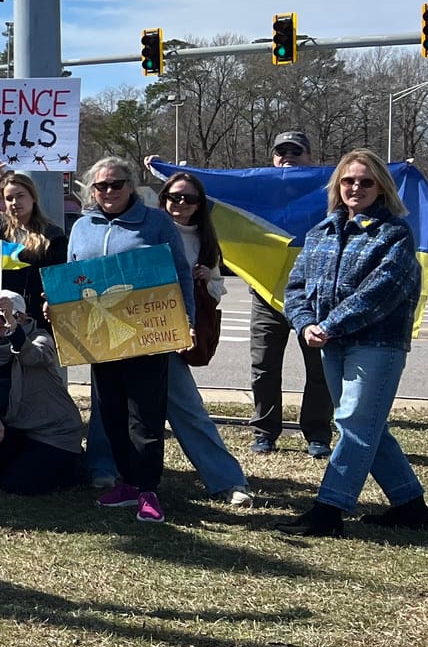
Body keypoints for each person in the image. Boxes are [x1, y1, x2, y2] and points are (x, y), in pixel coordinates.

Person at [279, 150, 428, 537]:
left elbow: (382, 291)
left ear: (381, 187)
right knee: (367, 426)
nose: (356, 188)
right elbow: (295, 287)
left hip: (377, 345)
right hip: (331, 344)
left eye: (366, 181)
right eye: (348, 180)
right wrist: (305, 323)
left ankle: (328, 510)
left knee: (354, 424)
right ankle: (410, 506)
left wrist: (329, 325)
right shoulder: (321, 232)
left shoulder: (394, 234)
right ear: (338, 186)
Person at [86, 171, 252, 506]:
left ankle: (226, 480)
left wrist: (202, 287)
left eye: (190, 198)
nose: (181, 203)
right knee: (108, 405)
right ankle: (103, 469)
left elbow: (210, 287)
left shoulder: (203, 240)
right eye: (175, 197)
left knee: (186, 407)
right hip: (119, 330)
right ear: (162, 199)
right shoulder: (144, 226)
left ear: (200, 204)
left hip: (167, 332)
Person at [67, 155, 195, 526]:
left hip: (146, 334)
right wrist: (56, 305)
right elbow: (72, 275)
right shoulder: (82, 226)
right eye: (101, 185)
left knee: (145, 416)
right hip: (99, 338)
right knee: (110, 413)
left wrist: (187, 320)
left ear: (131, 186)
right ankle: (127, 483)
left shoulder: (156, 222)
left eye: (116, 184)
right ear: (92, 190)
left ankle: (148, 490)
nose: (109, 191)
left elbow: (181, 272)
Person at [247, 131, 334, 460]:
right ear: (272, 158)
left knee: (319, 369)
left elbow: (365, 188)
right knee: (264, 368)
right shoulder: (257, 192)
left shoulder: (327, 191)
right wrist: (164, 169)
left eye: (296, 151)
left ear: (309, 157)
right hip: (266, 293)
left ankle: (317, 433)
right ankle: (265, 432)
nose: (288, 157)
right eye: (281, 152)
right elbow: (213, 191)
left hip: (314, 295)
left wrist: (399, 173)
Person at [0, 290, 86, 494]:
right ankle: (1, 470)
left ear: (23, 317)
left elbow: (34, 356)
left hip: (51, 431)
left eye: (5, 317)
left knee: (19, 486)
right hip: (16, 425)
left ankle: (73, 467)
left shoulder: (41, 339)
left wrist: (13, 329)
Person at [0, 161, 67, 321]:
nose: (15, 202)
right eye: (9, 198)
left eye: (20, 196)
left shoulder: (53, 235)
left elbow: (59, 279)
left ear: (33, 197)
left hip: (34, 318)